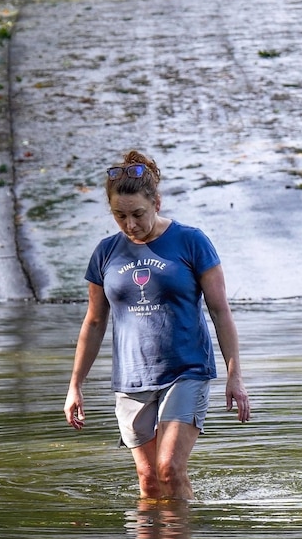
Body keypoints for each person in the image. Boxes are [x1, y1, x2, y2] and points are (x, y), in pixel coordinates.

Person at [64, 150, 250, 500]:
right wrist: (75, 385)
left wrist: (234, 375)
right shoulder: (105, 253)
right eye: (120, 215)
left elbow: (220, 311)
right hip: (131, 378)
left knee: (169, 468)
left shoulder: (191, 241)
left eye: (138, 214)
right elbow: (94, 322)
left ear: (157, 202)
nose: (130, 224)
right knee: (149, 480)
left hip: (186, 371)